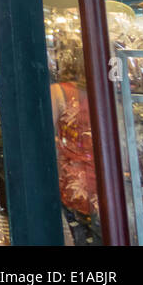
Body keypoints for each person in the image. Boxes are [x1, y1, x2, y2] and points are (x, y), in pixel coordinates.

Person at [50, 32, 100, 244]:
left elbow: (47, 135)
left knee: (81, 234)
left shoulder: (59, 91)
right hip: (106, 178)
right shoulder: (105, 92)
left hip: (73, 180)